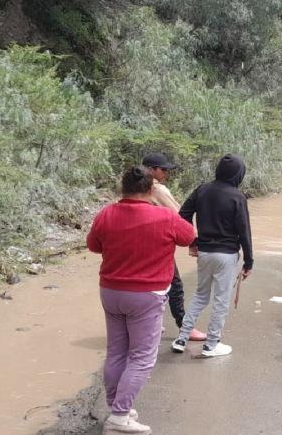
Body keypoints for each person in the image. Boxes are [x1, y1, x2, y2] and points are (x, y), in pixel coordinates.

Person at [87, 166, 196, 434]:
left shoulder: (106, 214)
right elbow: (190, 236)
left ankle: (117, 408)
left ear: (122, 188)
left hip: (111, 291)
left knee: (116, 352)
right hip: (146, 295)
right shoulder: (164, 217)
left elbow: (93, 245)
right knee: (142, 357)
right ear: (151, 189)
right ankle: (120, 417)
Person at [171, 154, 254, 357]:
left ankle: (182, 338)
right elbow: (244, 231)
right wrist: (249, 261)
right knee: (221, 299)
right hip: (226, 255)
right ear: (238, 174)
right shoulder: (237, 196)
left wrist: (194, 241)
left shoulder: (202, 189)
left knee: (200, 295)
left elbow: (183, 215)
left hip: (205, 252)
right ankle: (212, 344)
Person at [142, 153, 207, 342]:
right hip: (158, 245)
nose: (166, 173)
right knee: (175, 285)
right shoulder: (157, 189)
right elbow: (177, 216)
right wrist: (194, 241)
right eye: (163, 170)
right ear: (152, 170)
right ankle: (184, 328)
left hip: (139, 245)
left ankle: (149, 324)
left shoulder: (134, 188)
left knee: (147, 285)